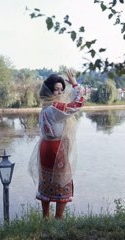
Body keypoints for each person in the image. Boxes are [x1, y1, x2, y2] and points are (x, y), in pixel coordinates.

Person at [29, 70, 85, 219]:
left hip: (45, 146)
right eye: (56, 89)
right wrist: (74, 83)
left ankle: (45, 218)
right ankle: (58, 218)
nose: (60, 92)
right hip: (56, 149)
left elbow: (69, 103)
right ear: (49, 90)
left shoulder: (45, 107)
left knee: (46, 180)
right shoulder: (55, 108)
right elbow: (78, 104)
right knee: (63, 180)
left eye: (61, 89)